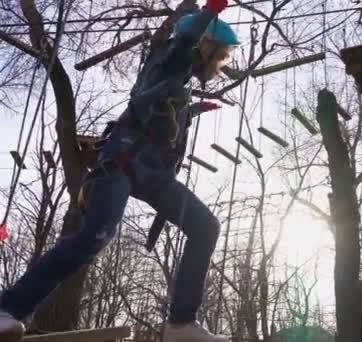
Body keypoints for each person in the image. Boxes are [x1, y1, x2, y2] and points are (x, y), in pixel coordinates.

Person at [0, 1, 237, 341]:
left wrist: (195, 109)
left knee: (205, 227)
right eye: (222, 56)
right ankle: (10, 308)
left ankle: (181, 324)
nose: (222, 65)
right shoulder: (174, 57)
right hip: (123, 160)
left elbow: (162, 116)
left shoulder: (179, 82)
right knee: (95, 235)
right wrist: (209, 12)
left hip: (152, 173)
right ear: (207, 48)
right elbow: (183, 38)